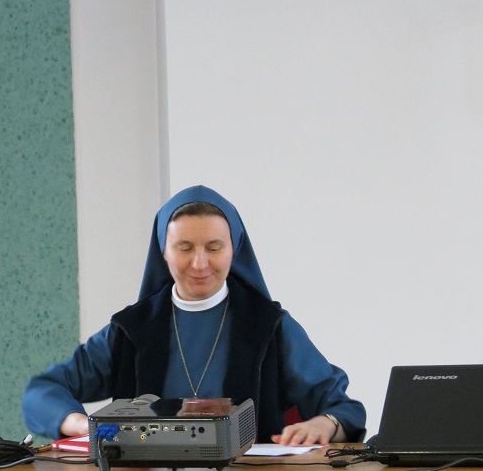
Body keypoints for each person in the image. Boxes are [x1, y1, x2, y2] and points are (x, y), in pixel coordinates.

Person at [22, 185, 366, 446]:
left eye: (214, 248)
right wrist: (81, 425)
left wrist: (323, 425)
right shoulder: (132, 330)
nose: (200, 263)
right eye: (184, 248)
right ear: (163, 251)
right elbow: (42, 391)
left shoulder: (270, 327)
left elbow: (344, 409)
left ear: (234, 249)